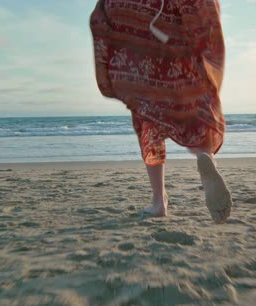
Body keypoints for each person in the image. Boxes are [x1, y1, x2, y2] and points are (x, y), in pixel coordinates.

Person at [90, 0, 232, 223]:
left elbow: (104, 14)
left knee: (148, 119)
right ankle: (205, 157)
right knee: (195, 104)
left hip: (144, 48)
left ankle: (159, 202)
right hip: (176, 40)